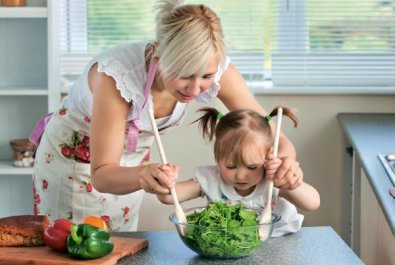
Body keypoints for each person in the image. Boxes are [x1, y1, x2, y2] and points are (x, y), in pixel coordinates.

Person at [30, 0, 302, 232]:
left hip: (134, 166)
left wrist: (287, 166)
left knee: (119, 244)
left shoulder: (216, 66)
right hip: (75, 164)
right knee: (76, 245)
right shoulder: (117, 77)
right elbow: (101, 175)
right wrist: (143, 174)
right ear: (159, 55)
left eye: (206, 76)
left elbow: (274, 136)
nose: (195, 89)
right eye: (184, 75)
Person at [157, 107, 320, 236]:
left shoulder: (273, 178)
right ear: (218, 158)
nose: (241, 175)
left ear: (269, 156)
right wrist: (165, 181)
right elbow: (168, 197)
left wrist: (292, 184)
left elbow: (313, 203)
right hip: (228, 247)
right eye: (230, 166)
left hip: (279, 243)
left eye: (252, 167)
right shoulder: (211, 179)